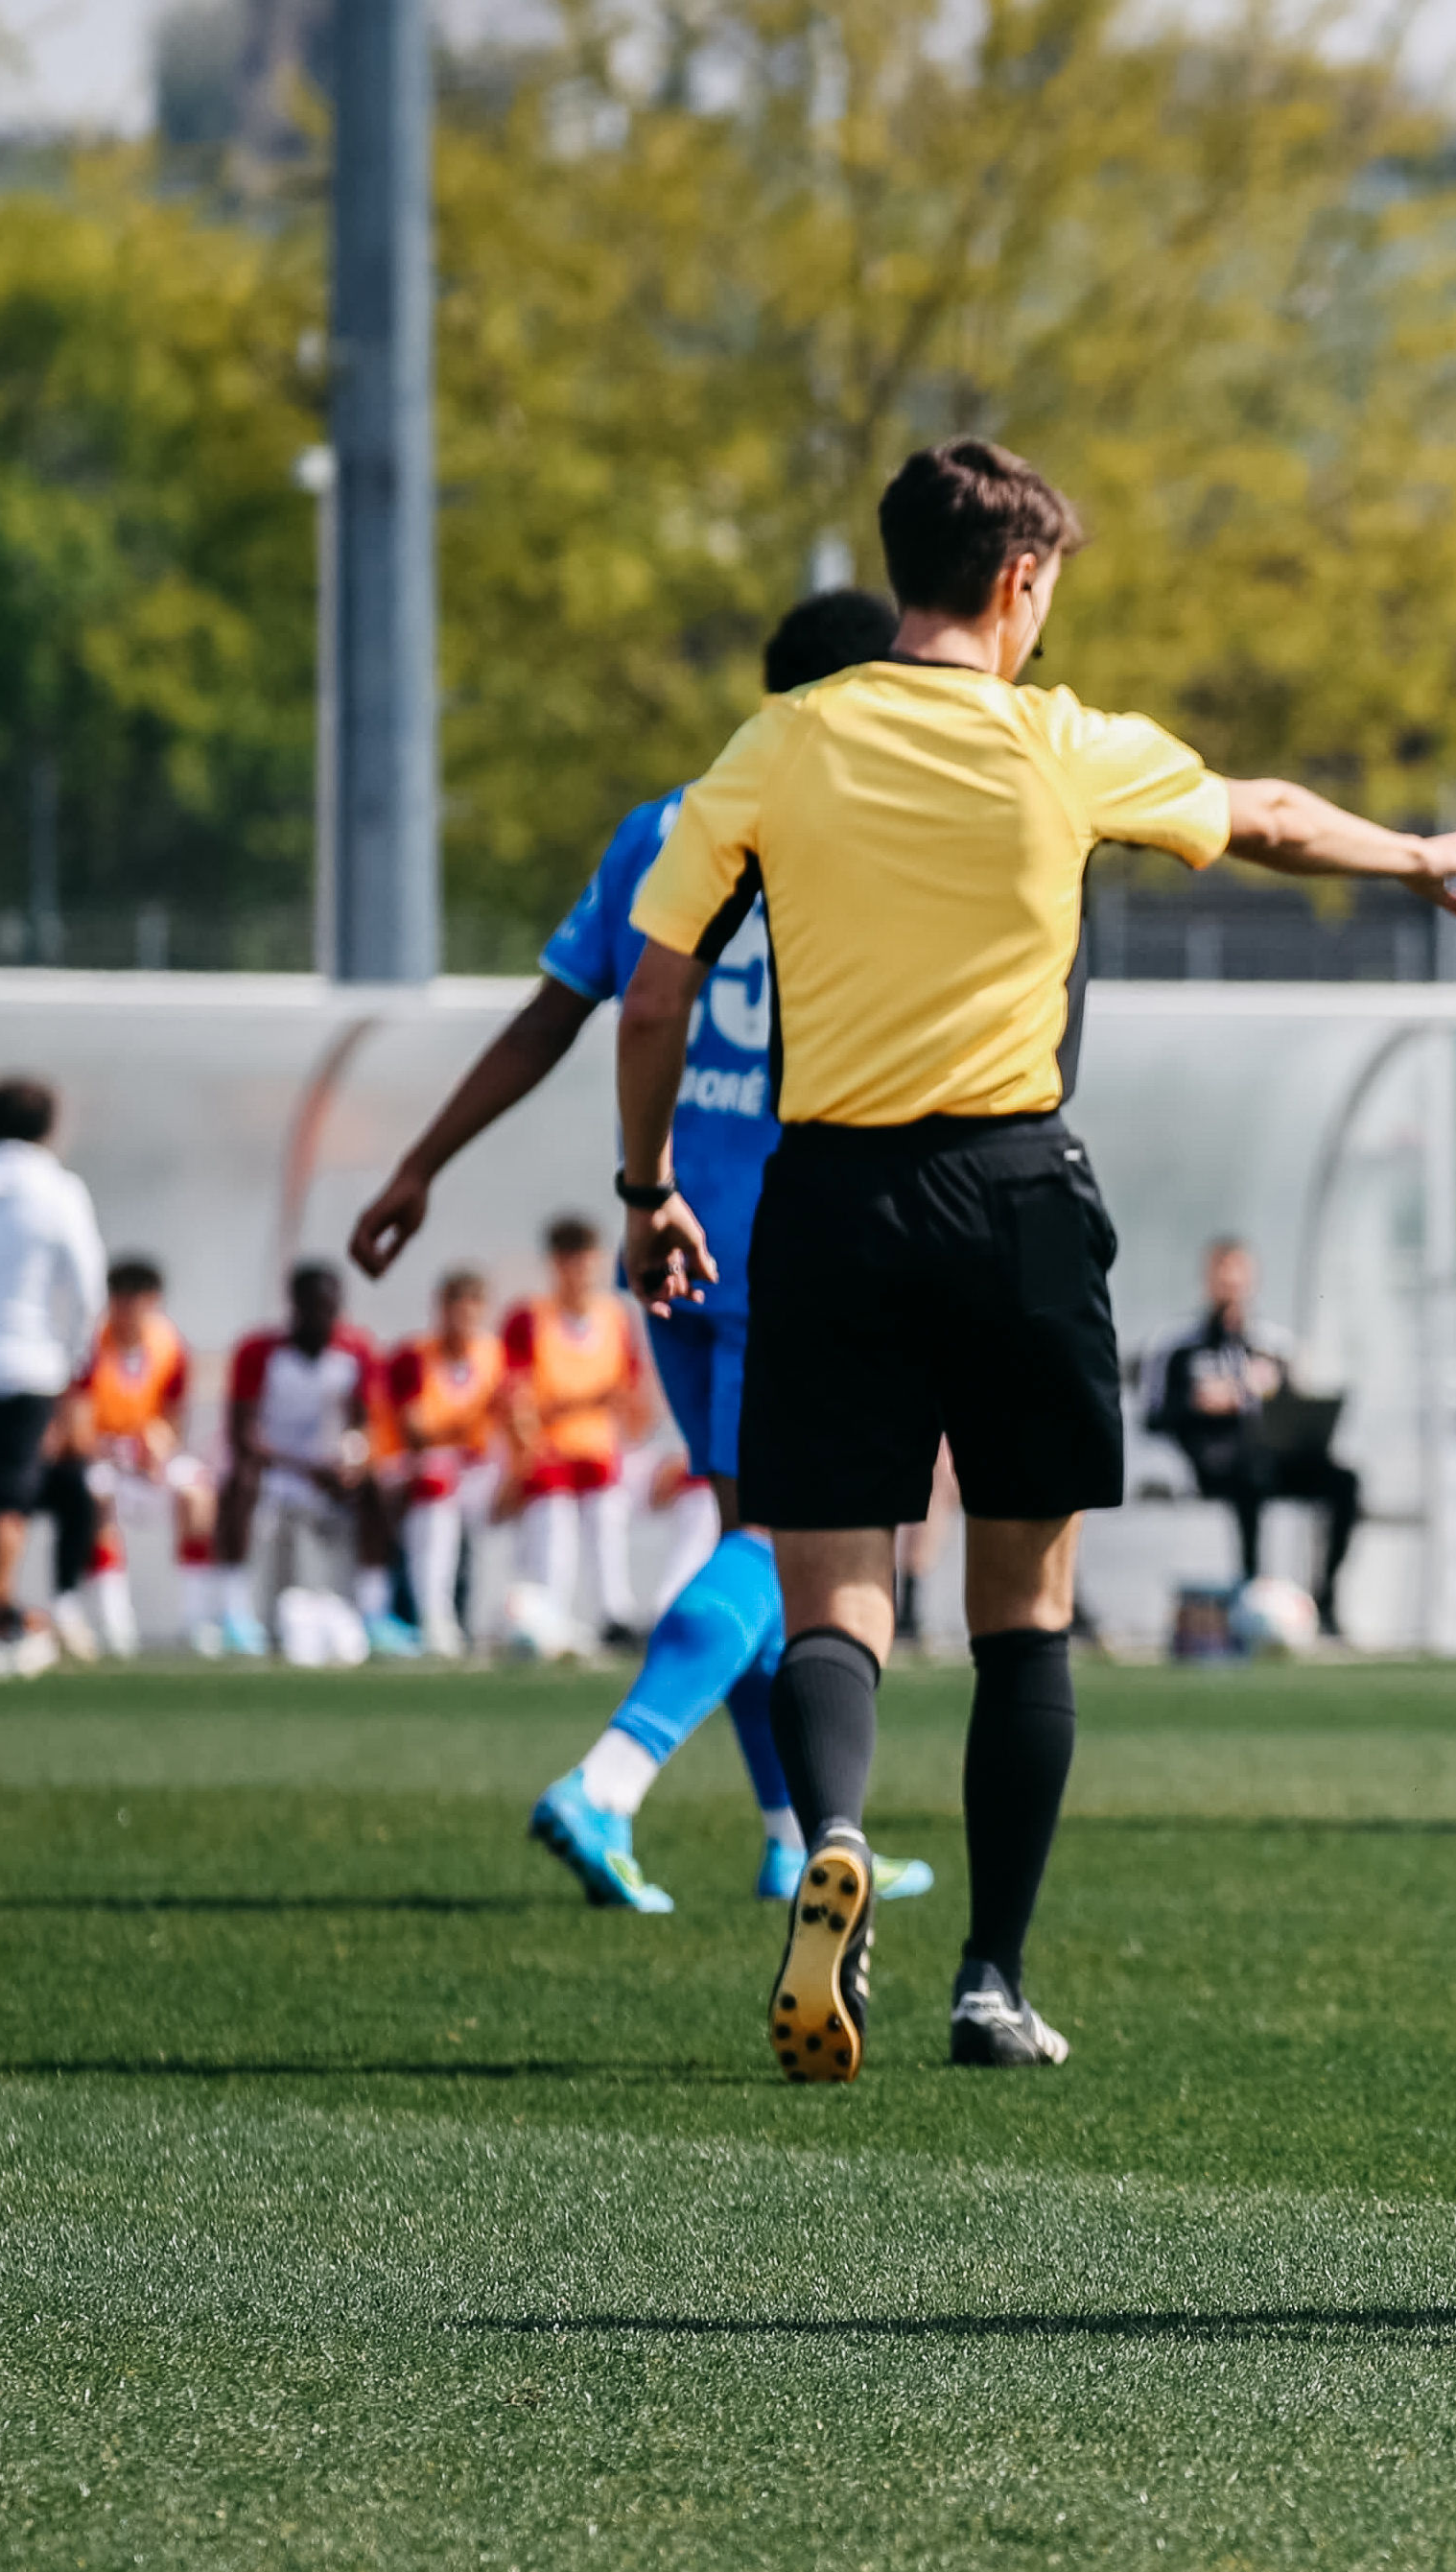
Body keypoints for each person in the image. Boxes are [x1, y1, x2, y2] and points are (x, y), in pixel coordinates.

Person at [618, 436, 1456, 2081]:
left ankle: (831, 1838)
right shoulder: (1063, 742)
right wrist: (1422, 857)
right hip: (1014, 1194)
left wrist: (647, 1184)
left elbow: (658, 987)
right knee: (1024, 1607)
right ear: (1020, 582)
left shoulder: (782, 742)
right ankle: (992, 1983)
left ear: (903, 575)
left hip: (827, 1201)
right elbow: (1269, 816)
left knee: (833, 1592)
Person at [349, 590, 903, 1915]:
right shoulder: (871, 826)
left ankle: (794, 1836)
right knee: (790, 1542)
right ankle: (608, 1779)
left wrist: (423, 1162)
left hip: (667, 1229)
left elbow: (553, 1019)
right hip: (799, 1235)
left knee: (747, 1537)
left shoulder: (670, 823)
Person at [0, 1075, 105, 1669]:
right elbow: (87, 1287)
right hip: (25, 1366)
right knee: (5, 1500)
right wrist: (72, 1359)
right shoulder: (59, 1192)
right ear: (49, 1127)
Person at [1143, 1238, 1362, 1630]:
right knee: (1248, 1473)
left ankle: (1326, 1599)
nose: (1230, 1284)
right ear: (1208, 1280)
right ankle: (1251, 1595)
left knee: (1344, 1482)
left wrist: (1275, 1392)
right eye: (1221, 1274)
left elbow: (1296, 1411)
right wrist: (1199, 1402)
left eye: (1238, 1274)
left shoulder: (1273, 1346)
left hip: (1273, 1458)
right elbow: (1154, 1415)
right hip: (1215, 1462)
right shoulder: (1179, 1347)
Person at [498, 1214, 656, 1659]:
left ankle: (616, 1611)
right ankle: (550, 1615)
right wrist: (583, 1405)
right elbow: (517, 1403)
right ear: (555, 1266)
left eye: (587, 1262)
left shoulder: (615, 1317)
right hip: (546, 1457)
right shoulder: (529, 1319)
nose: (581, 1273)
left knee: (616, 1503)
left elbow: (634, 1404)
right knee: (555, 1510)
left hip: (602, 1455)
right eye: (571, 1263)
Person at [64, 1258, 224, 1661]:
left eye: (138, 1299)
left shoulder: (170, 1347)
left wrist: (159, 1445)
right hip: (104, 1457)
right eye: (120, 1299)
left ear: (154, 1302)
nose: (129, 1310)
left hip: (146, 1460)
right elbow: (79, 1428)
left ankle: (196, 1619)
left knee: (197, 1493)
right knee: (95, 1495)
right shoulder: (88, 1346)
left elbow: (172, 1421)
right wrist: (122, 1450)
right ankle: (115, 1624)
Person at [221, 1262, 381, 1654]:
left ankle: (375, 1610)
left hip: (330, 1470)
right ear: (295, 1305)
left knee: (377, 1489)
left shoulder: (355, 1351)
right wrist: (307, 1469)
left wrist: (353, 1461)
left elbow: (365, 1425)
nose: (324, 1316)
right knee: (239, 1485)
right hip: (277, 1469)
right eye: (315, 1306)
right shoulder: (259, 1352)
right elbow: (244, 1438)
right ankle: (235, 1613)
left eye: (331, 1306)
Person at [377, 1265, 506, 1658]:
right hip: (411, 1468)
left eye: (472, 1312)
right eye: (456, 1311)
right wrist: (473, 1420)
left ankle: (530, 1612)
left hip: (475, 1468)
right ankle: (435, 1617)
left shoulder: (492, 1355)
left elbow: (513, 1417)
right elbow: (416, 1433)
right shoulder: (413, 1358)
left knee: (552, 1485)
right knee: (437, 1488)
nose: (463, 1324)